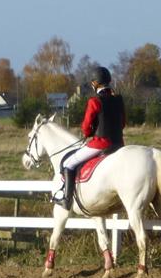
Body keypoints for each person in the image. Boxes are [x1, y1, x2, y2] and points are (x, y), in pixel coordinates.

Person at [53, 65, 126, 207]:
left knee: (69, 164)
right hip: (118, 143)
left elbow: (86, 128)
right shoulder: (119, 99)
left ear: (94, 83)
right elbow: (122, 123)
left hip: (101, 144)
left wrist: (89, 133)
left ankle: (66, 200)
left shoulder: (94, 101)